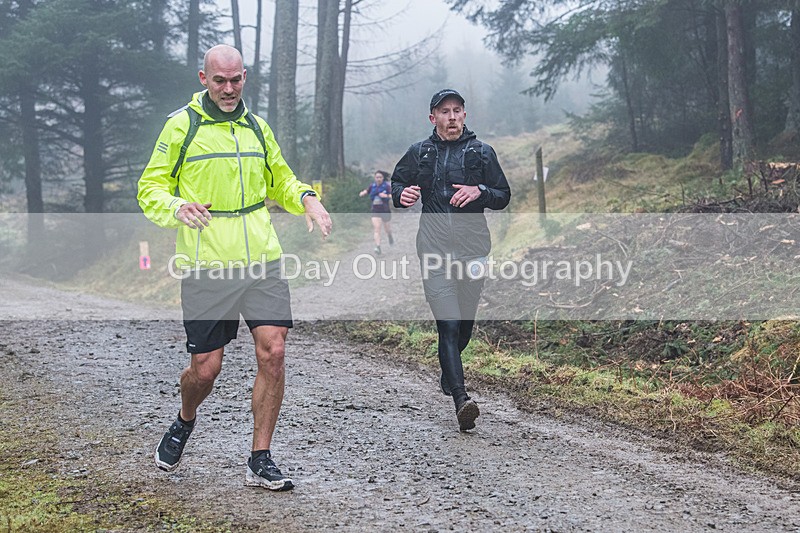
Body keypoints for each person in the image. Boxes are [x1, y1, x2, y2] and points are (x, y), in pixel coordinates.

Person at [137, 44, 332, 491]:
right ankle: (185, 419)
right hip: (207, 264)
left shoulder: (257, 127)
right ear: (203, 79)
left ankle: (260, 458)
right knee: (205, 370)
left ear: (245, 77)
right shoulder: (181, 126)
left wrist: (306, 198)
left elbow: (281, 179)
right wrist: (176, 206)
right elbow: (150, 187)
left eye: (236, 79)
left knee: (274, 351)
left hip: (261, 259)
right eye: (220, 80)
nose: (229, 89)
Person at [390, 89, 511, 431]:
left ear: (465, 115)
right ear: (433, 118)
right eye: (445, 111)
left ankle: (449, 367)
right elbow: (397, 183)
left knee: (465, 325)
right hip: (434, 250)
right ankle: (461, 399)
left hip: (474, 250)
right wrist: (402, 194)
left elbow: (503, 194)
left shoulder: (482, 152)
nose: (452, 116)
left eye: (457, 110)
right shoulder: (419, 152)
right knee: (449, 324)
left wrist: (480, 191)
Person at [358, 170, 394, 254]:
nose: (378, 179)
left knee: (387, 229)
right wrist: (362, 193)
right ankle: (378, 247)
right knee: (377, 229)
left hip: (385, 210)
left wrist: (386, 195)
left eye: (380, 177)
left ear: (383, 178)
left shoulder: (387, 186)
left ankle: (389, 235)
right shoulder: (372, 186)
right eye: (377, 177)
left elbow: (393, 195)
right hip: (375, 210)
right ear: (374, 178)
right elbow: (367, 191)